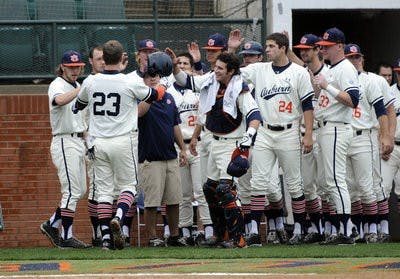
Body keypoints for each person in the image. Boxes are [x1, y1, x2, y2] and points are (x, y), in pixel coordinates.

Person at [72, 40, 167, 250]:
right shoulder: (128, 82)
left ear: (103, 58)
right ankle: (119, 216)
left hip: (98, 142)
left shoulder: (90, 81)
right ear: (123, 57)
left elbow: (78, 106)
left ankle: (106, 238)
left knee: (104, 192)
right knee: (129, 187)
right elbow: (155, 95)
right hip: (123, 140)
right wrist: (163, 82)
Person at [168, 49, 262, 248]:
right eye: (215, 67)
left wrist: (248, 138)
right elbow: (187, 81)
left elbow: (254, 115)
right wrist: (175, 66)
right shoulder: (210, 80)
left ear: (231, 71)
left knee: (226, 190)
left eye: (220, 68)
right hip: (214, 141)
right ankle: (220, 235)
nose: (215, 70)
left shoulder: (239, 88)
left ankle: (239, 239)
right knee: (210, 189)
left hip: (233, 143)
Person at [229, 31, 314, 245]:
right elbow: (230, 72)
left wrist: (309, 134)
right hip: (264, 132)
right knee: (258, 183)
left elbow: (307, 106)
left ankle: (300, 231)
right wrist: (231, 50)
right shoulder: (259, 69)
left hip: (288, 131)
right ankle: (255, 232)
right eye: (266, 46)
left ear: (283, 48)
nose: (267, 50)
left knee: (294, 185)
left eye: (271, 46)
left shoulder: (299, 72)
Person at [312, 27, 360, 245]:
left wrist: (327, 87)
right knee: (325, 181)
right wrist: (319, 88)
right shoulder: (331, 69)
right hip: (325, 127)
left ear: (340, 46)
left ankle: (347, 230)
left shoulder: (346, 69)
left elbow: (353, 100)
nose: (324, 49)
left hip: (337, 127)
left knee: (335, 179)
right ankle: (342, 227)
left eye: (328, 46)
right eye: (322, 46)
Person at [40, 50, 91, 249]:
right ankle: (66, 236)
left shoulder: (78, 85)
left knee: (80, 190)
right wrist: (81, 90)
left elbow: (82, 119)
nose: (75, 70)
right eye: (71, 67)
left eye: (78, 67)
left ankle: (52, 223)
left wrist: (89, 142)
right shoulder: (57, 84)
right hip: (63, 140)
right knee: (71, 191)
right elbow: (59, 101)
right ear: (62, 67)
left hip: (78, 140)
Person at [344, 43, 391, 243]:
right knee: (351, 187)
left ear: (362, 59)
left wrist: (385, 134)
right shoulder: (338, 79)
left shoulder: (372, 80)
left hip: (365, 134)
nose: (354, 61)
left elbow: (384, 110)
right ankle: (361, 229)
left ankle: (376, 228)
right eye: (350, 57)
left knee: (369, 184)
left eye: (357, 57)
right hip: (345, 134)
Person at [137, 64, 188, 247]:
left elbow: (175, 125)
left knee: (174, 199)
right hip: (150, 158)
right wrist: (152, 95)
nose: (153, 78)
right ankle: (152, 237)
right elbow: (139, 113)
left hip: (170, 155)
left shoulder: (169, 98)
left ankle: (174, 235)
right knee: (152, 202)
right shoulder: (141, 97)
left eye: (156, 75)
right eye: (149, 76)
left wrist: (182, 148)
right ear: (143, 79)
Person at [168, 52, 214, 245]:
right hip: (178, 145)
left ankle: (208, 228)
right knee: (183, 193)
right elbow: (169, 122)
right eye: (179, 63)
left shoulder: (197, 88)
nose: (183, 65)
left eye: (186, 63)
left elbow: (203, 116)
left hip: (197, 143)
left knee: (201, 189)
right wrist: (180, 148)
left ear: (191, 66)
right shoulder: (167, 89)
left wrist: (194, 138)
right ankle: (185, 230)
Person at [291, 33, 326, 244]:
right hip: (304, 132)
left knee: (324, 184)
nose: (304, 52)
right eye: (301, 49)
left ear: (317, 50)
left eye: (308, 49)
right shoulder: (301, 73)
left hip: (323, 131)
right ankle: (314, 227)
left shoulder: (328, 72)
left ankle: (330, 227)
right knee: (307, 185)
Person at [85, 45, 105, 247]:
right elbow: (81, 117)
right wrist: (88, 142)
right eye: (98, 59)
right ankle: (97, 232)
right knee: (96, 190)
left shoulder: (111, 80)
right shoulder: (88, 83)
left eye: (104, 58)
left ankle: (109, 232)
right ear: (91, 61)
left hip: (112, 142)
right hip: (94, 142)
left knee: (113, 189)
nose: (102, 62)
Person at [381, 58, 400, 240]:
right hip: (391, 146)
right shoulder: (389, 92)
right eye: (398, 72)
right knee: (383, 189)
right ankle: (384, 232)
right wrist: (385, 140)